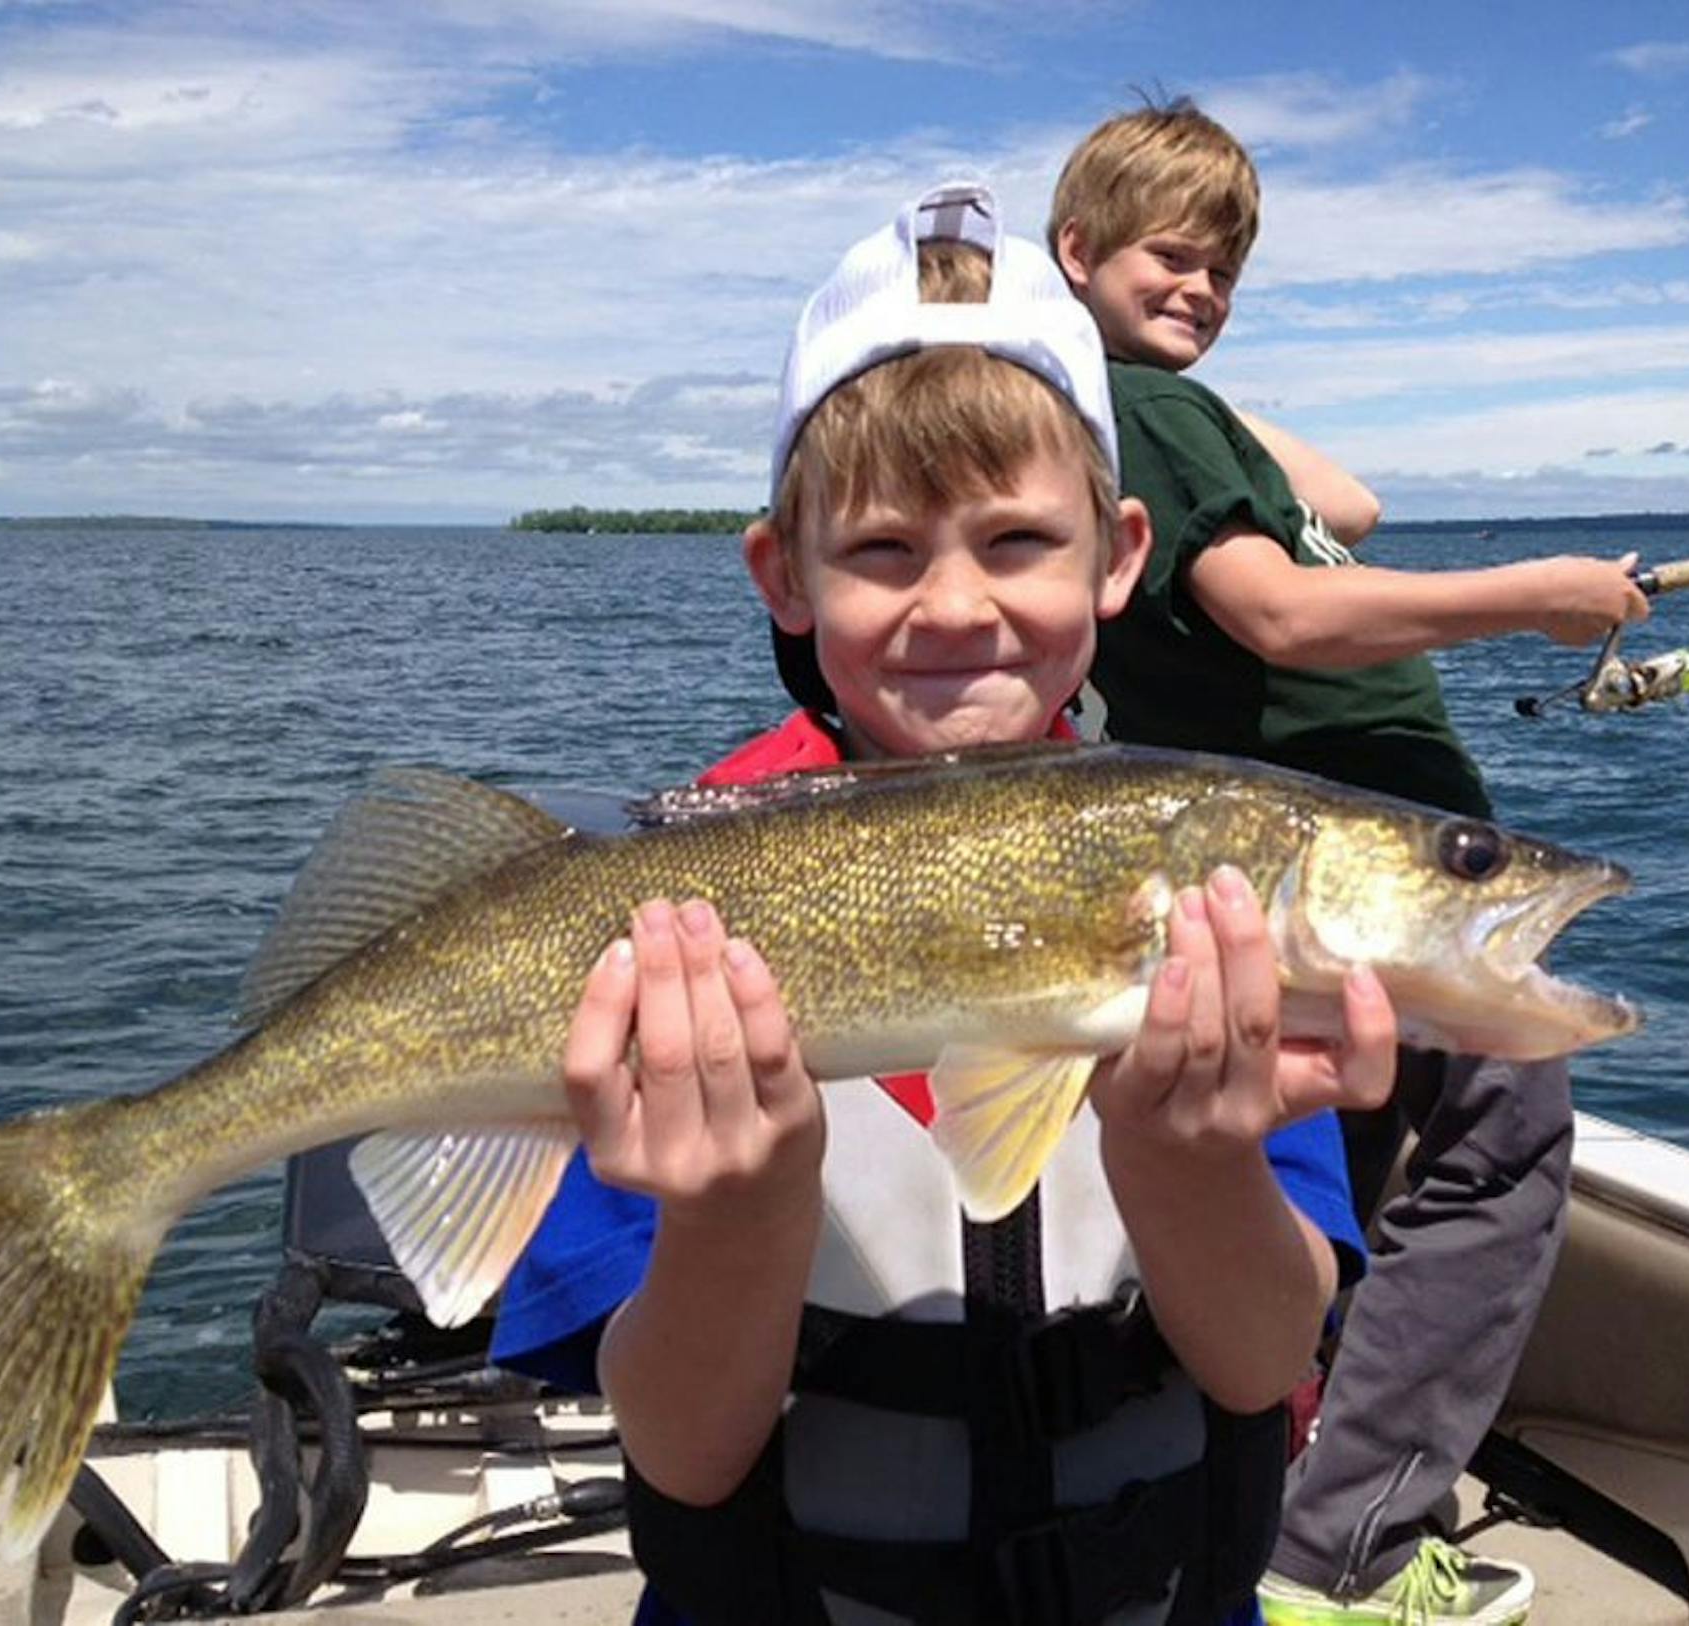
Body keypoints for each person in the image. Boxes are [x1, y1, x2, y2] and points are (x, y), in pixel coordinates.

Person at [490, 180, 1401, 1626]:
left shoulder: (1206, 890)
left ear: (1117, 557)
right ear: (785, 575)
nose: (957, 605)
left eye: (1019, 542)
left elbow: (1257, 1358)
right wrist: (741, 1213)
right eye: (884, 551)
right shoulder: (665, 919)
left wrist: (1188, 1166)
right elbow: (682, 1449)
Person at [1047, 102, 1653, 1626]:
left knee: (1351, 1174)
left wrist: (1194, 381)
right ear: (1076, 258)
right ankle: (1340, 1555)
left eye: (1225, 272)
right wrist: (1537, 596)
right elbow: (1289, 615)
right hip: (1356, 877)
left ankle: (1290, 1507)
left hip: (1359, 879)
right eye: (1168, 261)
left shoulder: (1174, 414)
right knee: (1499, 1146)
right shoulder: (1146, 415)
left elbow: (1352, 509)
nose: (1198, 292)